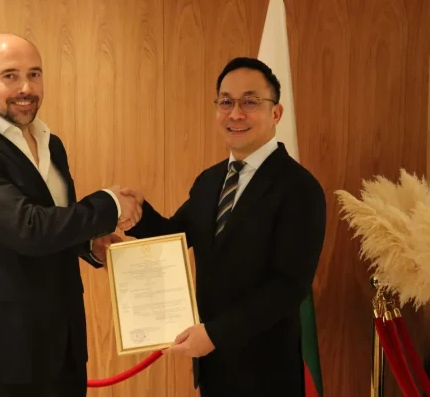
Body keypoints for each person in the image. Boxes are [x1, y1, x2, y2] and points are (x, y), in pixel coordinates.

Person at [0, 33, 140, 397]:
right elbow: (28, 229)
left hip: (63, 343)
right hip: (2, 349)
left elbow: (55, 218)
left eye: (35, 74)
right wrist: (110, 204)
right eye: (10, 76)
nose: (26, 88)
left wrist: (88, 244)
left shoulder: (50, 142)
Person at [120, 57, 326, 396]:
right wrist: (136, 213)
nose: (235, 114)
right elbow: (175, 236)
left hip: (267, 373)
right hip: (213, 369)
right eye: (226, 102)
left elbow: (289, 286)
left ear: (276, 113)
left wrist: (216, 334)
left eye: (250, 102)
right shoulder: (210, 180)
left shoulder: (299, 188)